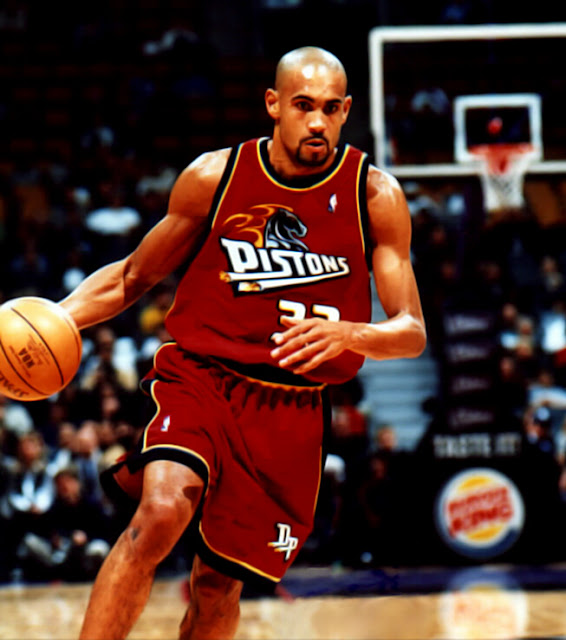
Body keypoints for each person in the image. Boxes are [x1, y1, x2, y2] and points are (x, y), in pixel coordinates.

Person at [59, 46, 426, 640]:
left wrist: (350, 333)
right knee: (159, 514)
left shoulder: (374, 195)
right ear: (273, 104)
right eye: (303, 105)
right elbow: (131, 277)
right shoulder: (216, 177)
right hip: (202, 378)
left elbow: (411, 330)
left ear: (346, 111)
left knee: (216, 585)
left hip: (290, 410)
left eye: (330, 108)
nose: (317, 121)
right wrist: (57, 317)